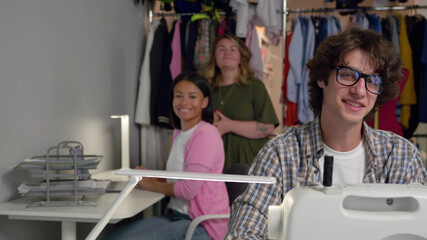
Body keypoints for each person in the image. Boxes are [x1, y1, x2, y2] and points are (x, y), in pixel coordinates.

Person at [225, 27, 427, 239]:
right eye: (348, 75)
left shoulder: (400, 155)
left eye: (372, 81)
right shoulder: (282, 153)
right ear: (322, 78)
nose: (359, 90)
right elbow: (243, 233)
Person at [107, 72, 229, 240]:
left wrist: (150, 184)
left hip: (200, 224)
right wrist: (153, 176)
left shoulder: (205, 134)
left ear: (205, 102)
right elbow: (180, 179)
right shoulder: (180, 133)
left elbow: (187, 190)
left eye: (192, 97)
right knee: (116, 235)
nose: (184, 102)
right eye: (178, 96)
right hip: (177, 216)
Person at [205, 34, 279, 171]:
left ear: (241, 57)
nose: (227, 52)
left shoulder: (254, 86)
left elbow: (268, 127)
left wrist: (230, 125)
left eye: (233, 49)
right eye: (221, 49)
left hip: (249, 162)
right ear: (214, 57)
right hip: (213, 162)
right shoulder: (206, 89)